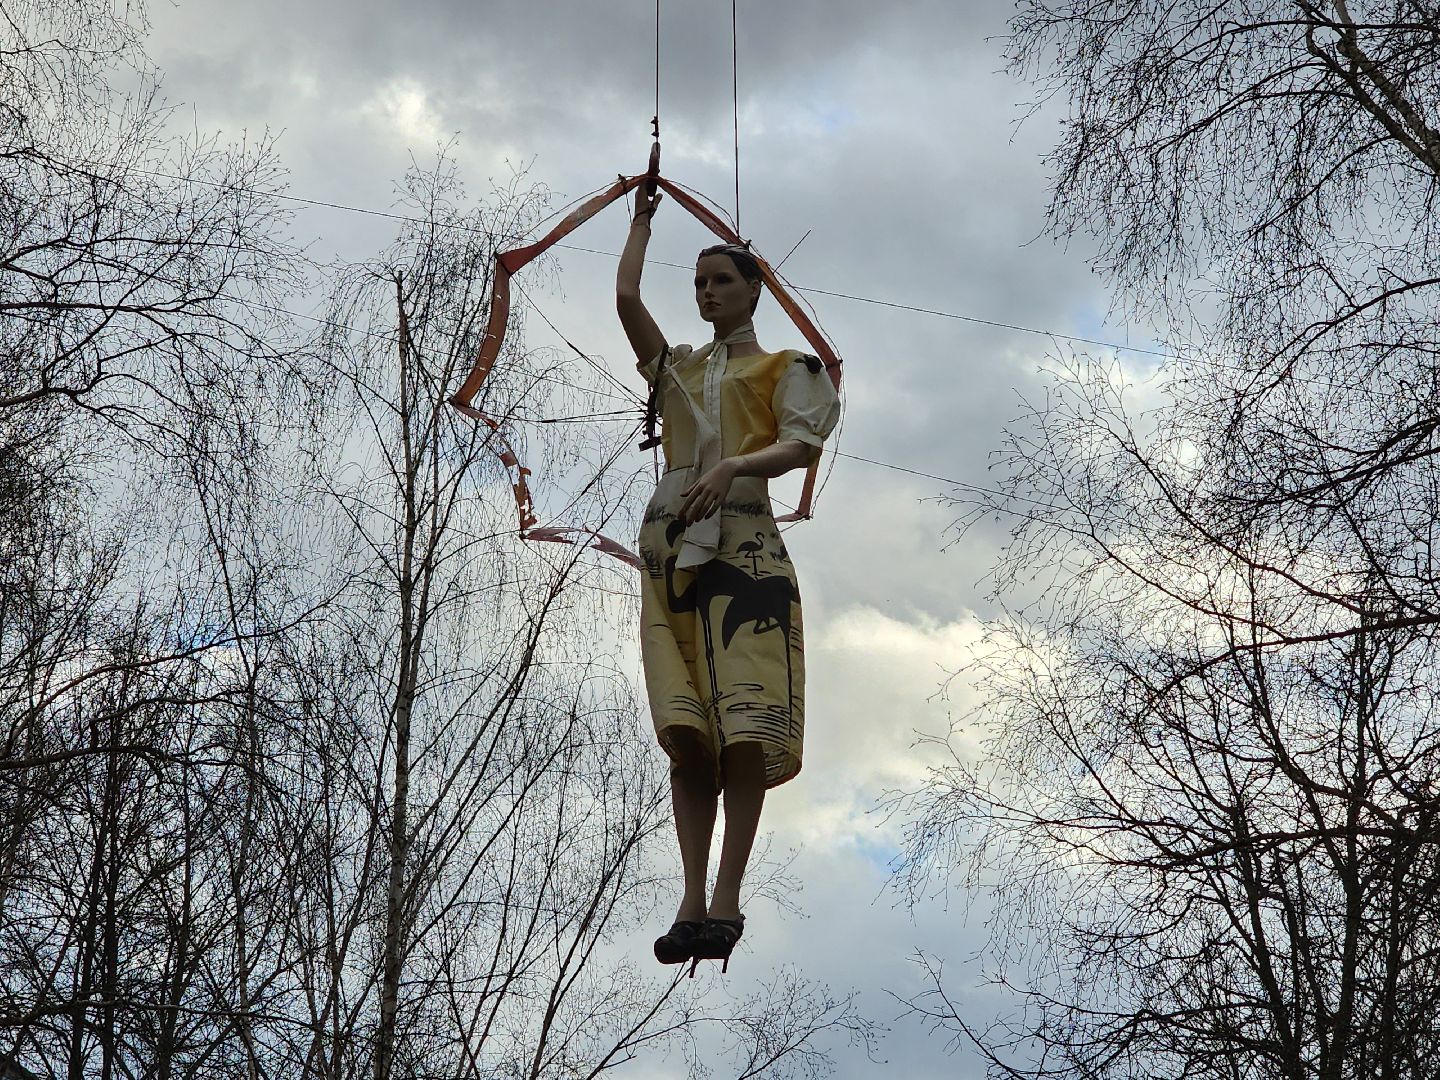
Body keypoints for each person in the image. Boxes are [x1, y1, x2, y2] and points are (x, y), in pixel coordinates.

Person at [615, 180, 841, 974]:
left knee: (745, 723)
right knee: (687, 732)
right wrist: (641, 221)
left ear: (754, 289)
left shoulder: (787, 366)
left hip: (745, 548)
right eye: (700, 283)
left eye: (721, 281)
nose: (708, 293)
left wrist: (735, 464)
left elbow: (802, 446)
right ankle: (688, 901)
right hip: (672, 546)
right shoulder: (677, 371)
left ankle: (727, 898)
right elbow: (626, 298)